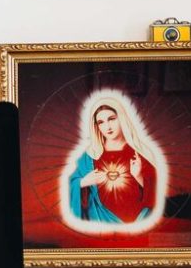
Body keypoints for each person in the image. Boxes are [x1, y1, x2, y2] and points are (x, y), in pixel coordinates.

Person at [66, 97, 161, 228]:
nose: (107, 127)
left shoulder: (141, 151)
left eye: (111, 119)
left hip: (140, 219)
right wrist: (83, 182)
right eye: (101, 122)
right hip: (100, 219)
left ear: (121, 118)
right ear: (96, 126)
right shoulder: (90, 155)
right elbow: (71, 184)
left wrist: (138, 175)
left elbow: (157, 191)